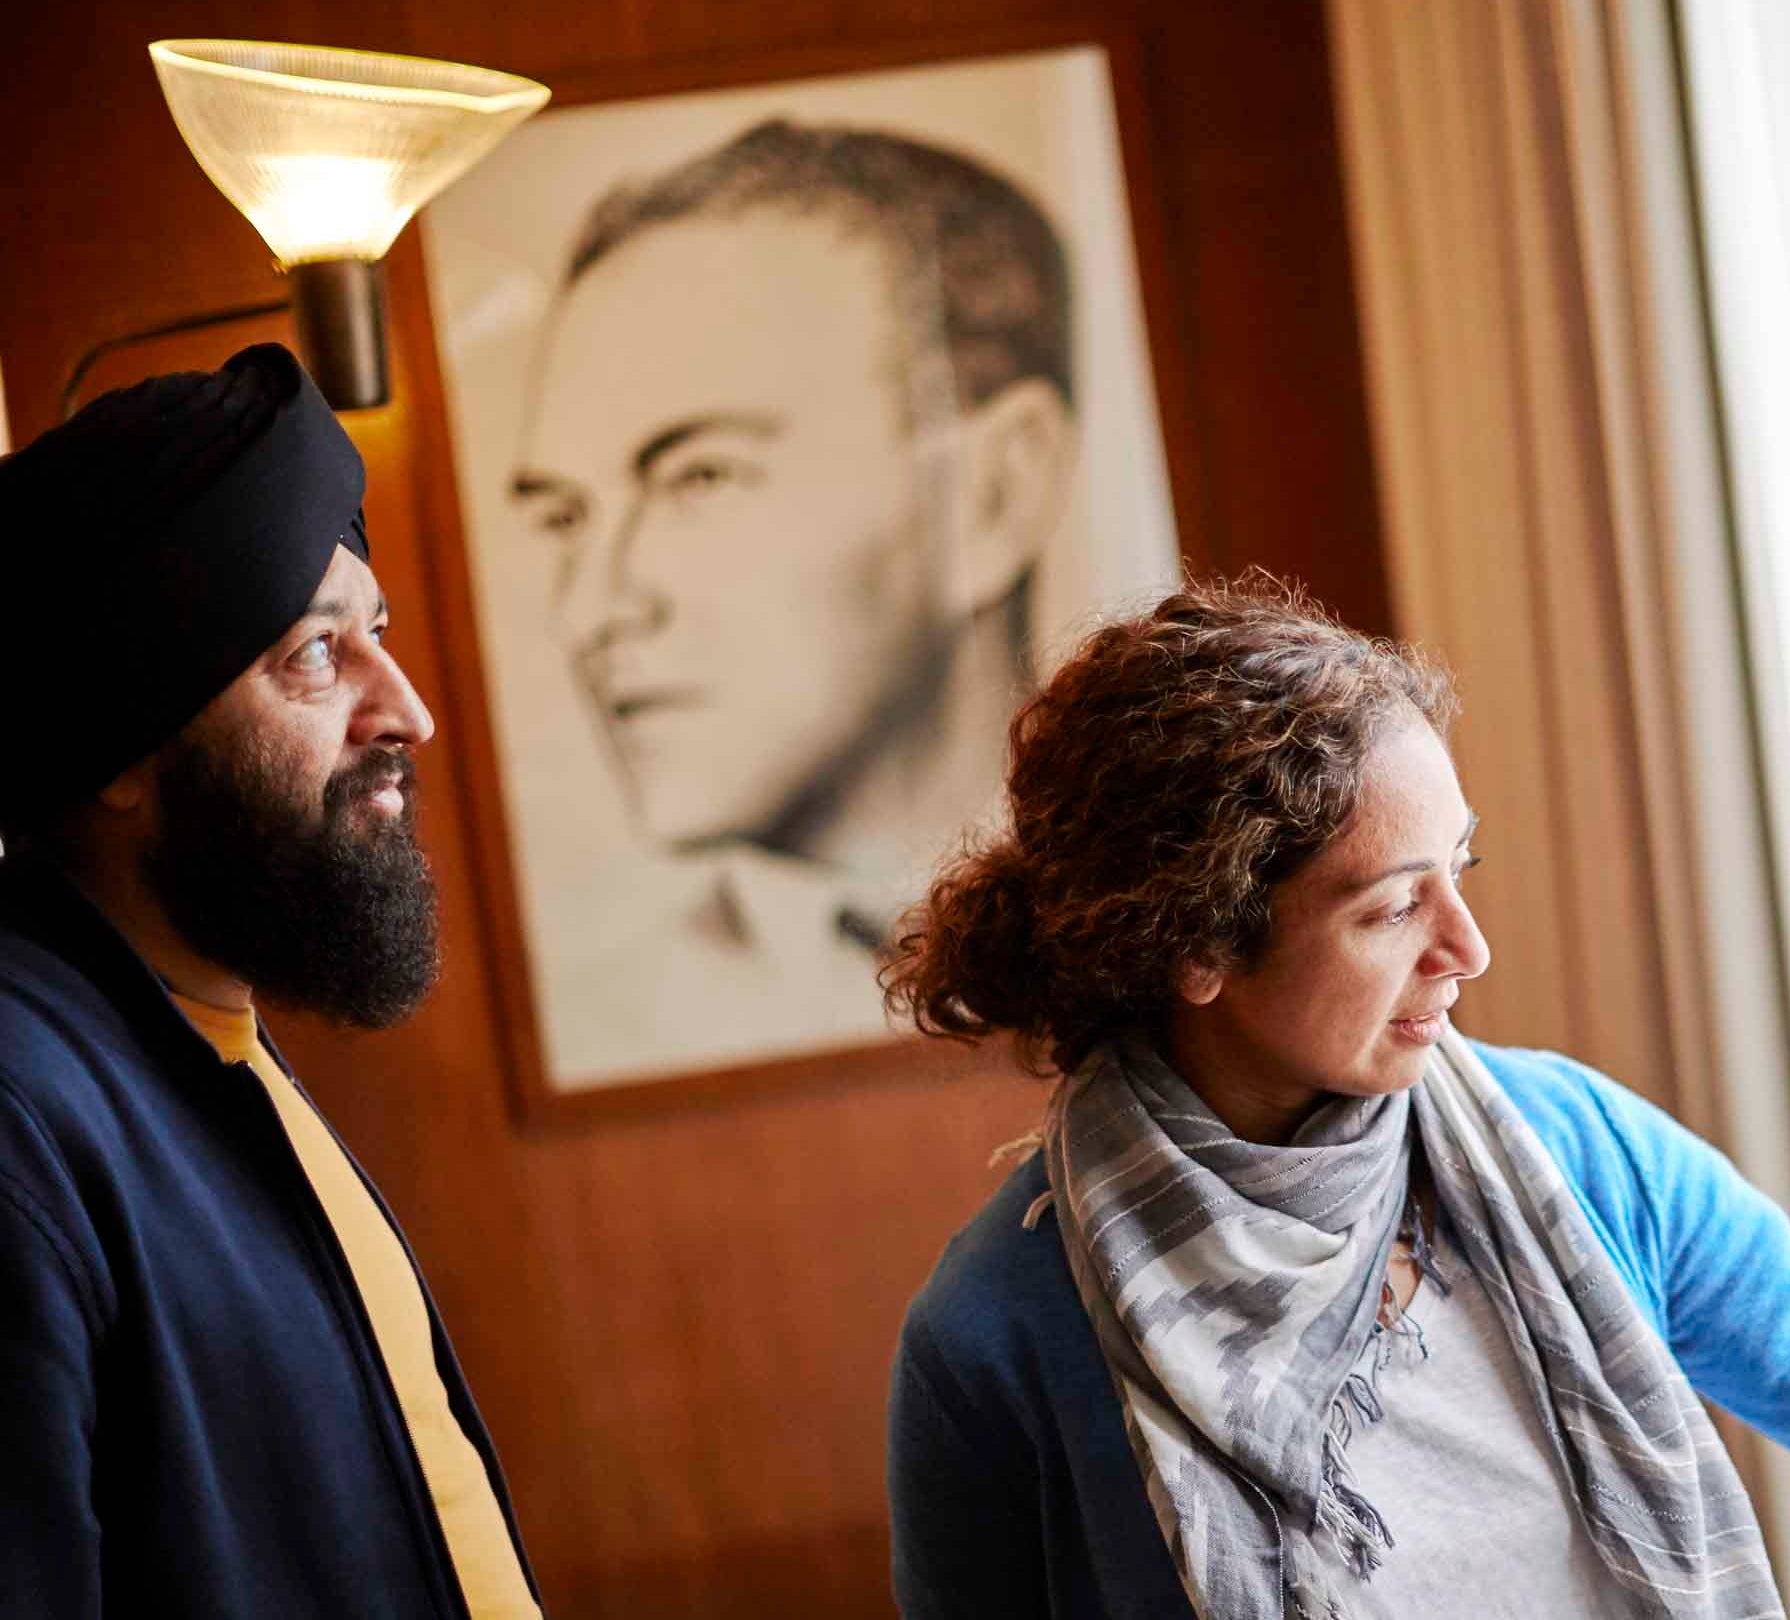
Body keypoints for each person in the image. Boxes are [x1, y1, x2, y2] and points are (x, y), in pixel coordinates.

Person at [882, 579, 1790, 1618]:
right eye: (1392, 907)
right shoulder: (998, 1340)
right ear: (1192, 946)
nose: (1468, 948)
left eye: (1461, 871)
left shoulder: (1574, 1151)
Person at [0, 347, 539, 1617]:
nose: (403, 707)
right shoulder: (25, 1116)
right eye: (315, 652)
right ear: (125, 747)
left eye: (381, 633)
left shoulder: (195, 1038)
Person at [507, 119, 1080, 968]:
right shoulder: (617, 989)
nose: (587, 610)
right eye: (565, 516)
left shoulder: (1221, 941)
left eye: (700, 477)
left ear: (994, 494)